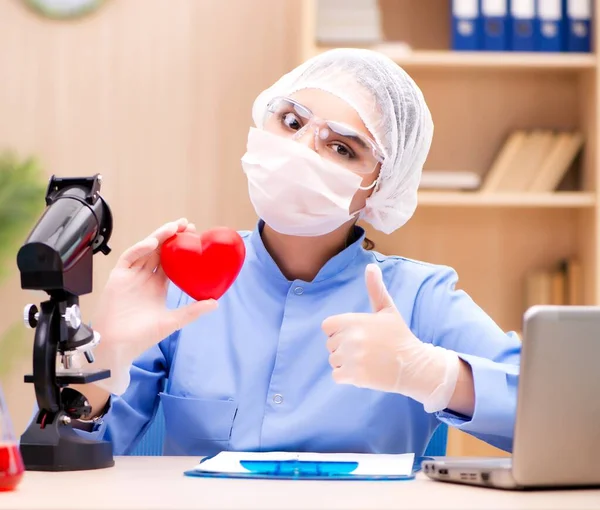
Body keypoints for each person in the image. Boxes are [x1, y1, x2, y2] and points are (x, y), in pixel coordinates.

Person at [68, 48, 521, 457]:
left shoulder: (419, 297)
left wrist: (435, 376)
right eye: (291, 121)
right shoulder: (181, 287)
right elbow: (60, 469)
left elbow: (566, 418)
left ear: (381, 188)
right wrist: (99, 364)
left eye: (341, 147)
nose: (301, 149)